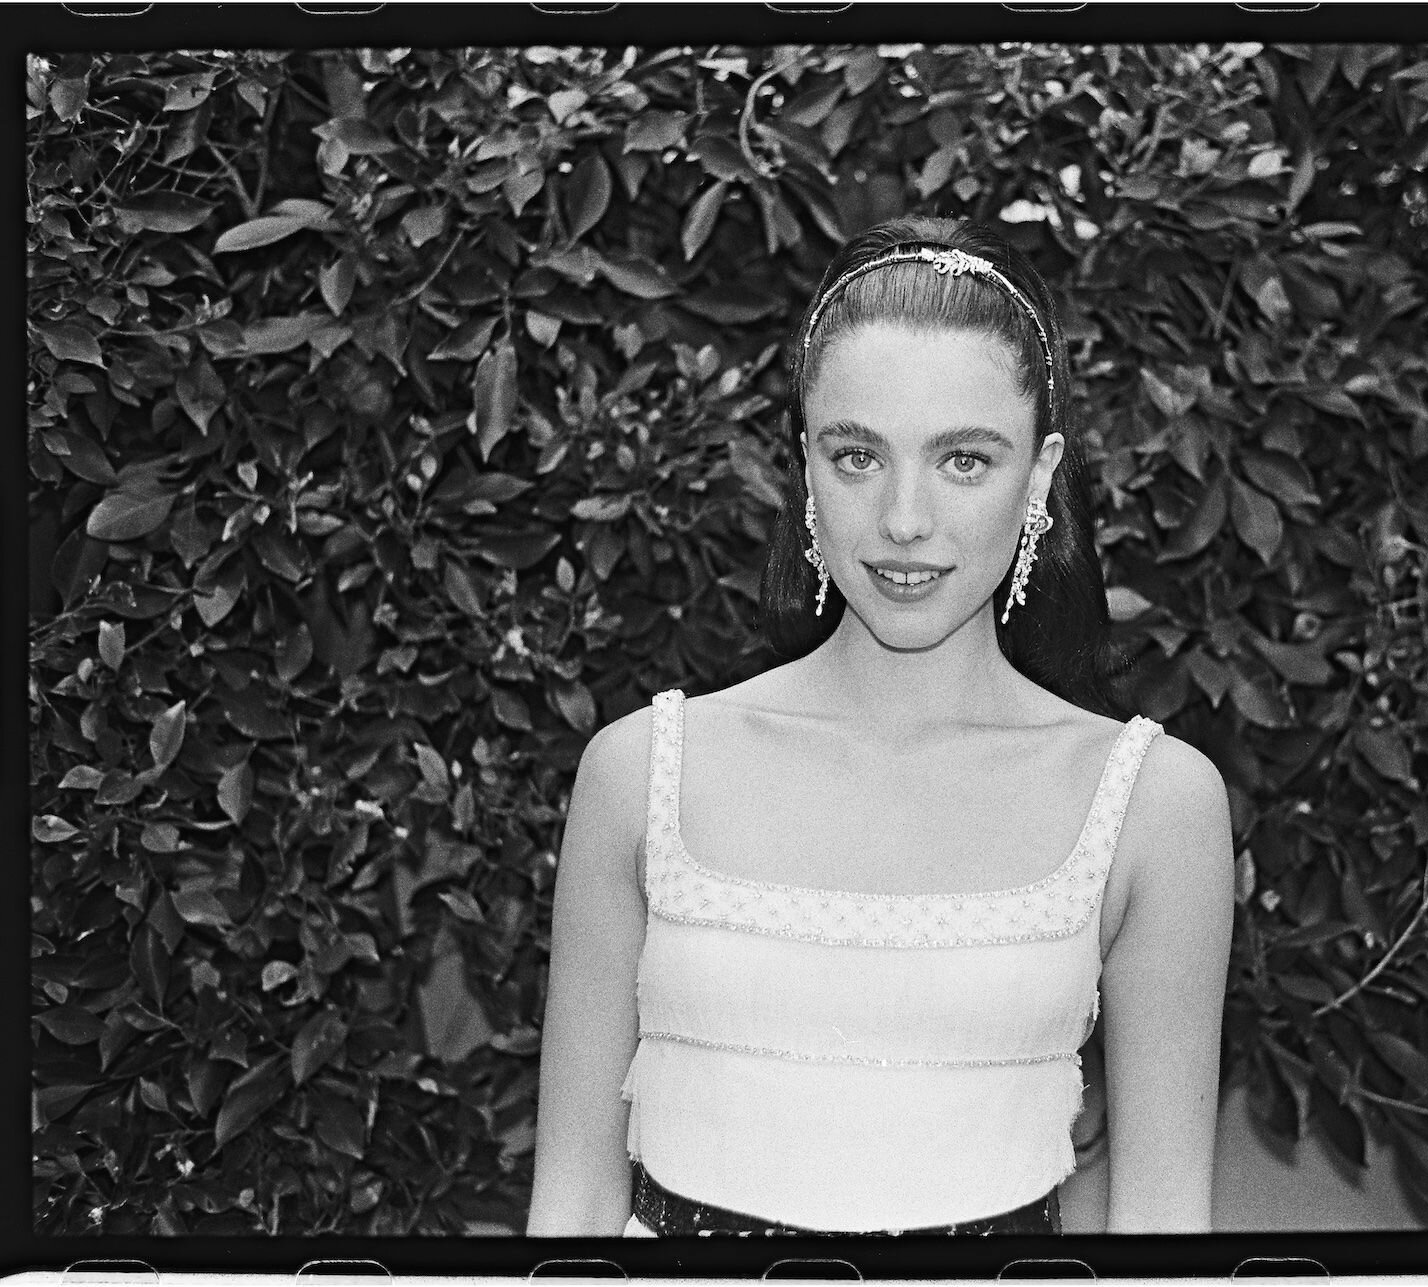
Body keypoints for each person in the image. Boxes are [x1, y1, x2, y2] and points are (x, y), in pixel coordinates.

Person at [526, 216, 1236, 1237]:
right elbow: (573, 1206)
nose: (905, 519)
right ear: (806, 466)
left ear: (1040, 476)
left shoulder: (1155, 805)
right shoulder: (640, 771)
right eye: (858, 455)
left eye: (964, 460)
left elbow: (1163, 1227)